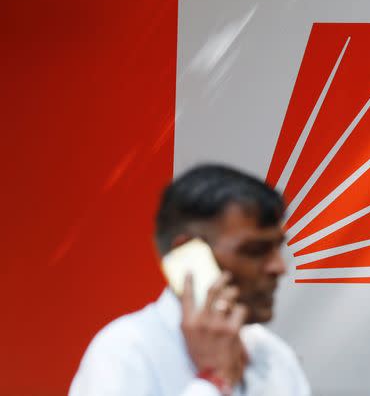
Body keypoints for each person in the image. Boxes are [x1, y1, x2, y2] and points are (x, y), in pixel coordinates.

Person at [70, 164, 311, 395]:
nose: (279, 267)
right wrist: (215, 382)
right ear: (188, 253)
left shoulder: (275, 357)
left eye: (277, 248)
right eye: (255, 250)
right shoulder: (124, 352)